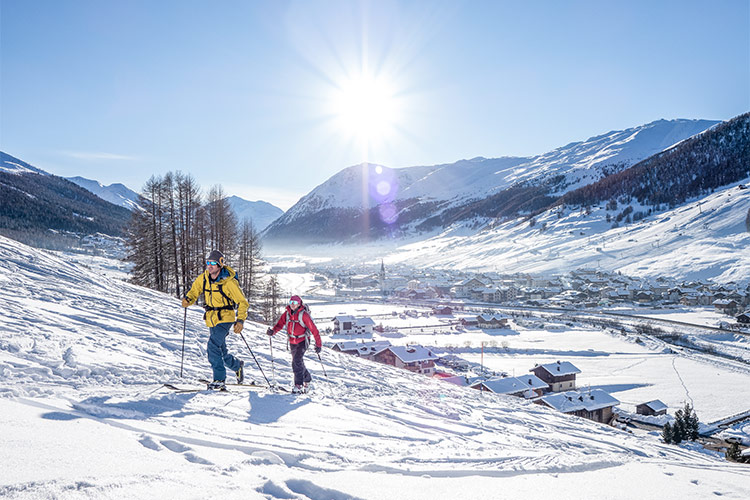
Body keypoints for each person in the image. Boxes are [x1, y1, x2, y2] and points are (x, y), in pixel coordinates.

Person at [182, 250, 249, 390]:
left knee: (212, 347)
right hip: (211, 319)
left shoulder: (228, 282)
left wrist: (240, 320)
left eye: (213, 263)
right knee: (221, 351)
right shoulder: (204, 278)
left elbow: (242, 302)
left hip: (225, 318)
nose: (210, 266)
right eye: (208, 263)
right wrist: (189, 299)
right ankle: (237, 366)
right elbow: (195, 291)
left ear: (220, 265)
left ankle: (219, 379)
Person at [267, 295, 322, 393]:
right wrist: (273, 331)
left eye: (295, 303)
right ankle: (307, 378)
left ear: (299, 304)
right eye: (291, 302)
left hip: (303, 340)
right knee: (298, 361)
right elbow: (280, 324)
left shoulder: (304, 315)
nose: (292, 305)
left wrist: (318, 345)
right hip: (292, 341)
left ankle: (298, 385)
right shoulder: (287, 314)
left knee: (296, 361)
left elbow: (314, 329)